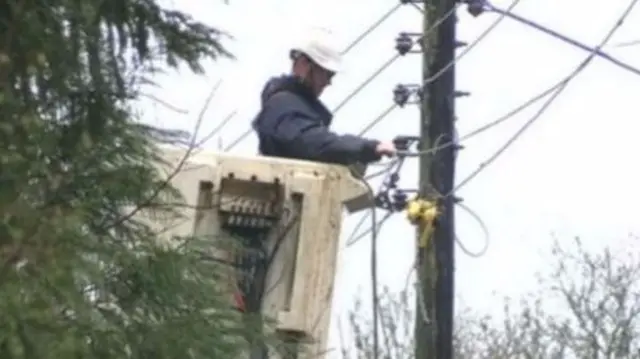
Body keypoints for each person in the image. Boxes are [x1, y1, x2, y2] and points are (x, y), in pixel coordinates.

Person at [252, 27, 396, 166]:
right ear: (304, 64)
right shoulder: (282, 105)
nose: (328, 82)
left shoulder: (291, 106)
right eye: (327, 74)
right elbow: (312, 142)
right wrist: (368, 148)